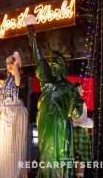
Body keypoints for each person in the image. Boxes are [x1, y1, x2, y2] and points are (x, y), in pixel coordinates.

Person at [24, 14, 84, 178]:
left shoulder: (69, 88)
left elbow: (77, 113)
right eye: (51, 64)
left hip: (60, 124)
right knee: (48, 151)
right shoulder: (47, 79)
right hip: (46, 120)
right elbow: (38, 56)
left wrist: (74, 104)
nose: (52, 66)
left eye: (55, 63)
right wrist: (31, 32)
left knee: (59, 152)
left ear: (62, 67)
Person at [0, 51, 28, 178]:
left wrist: (16, 66)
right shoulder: (6, 82)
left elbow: (19, 83)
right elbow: (2, 104)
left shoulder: (21, 78)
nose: (9, 65)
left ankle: (15, 174)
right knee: (5, 148)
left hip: (17, 114)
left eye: (12, 62)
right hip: (6, 115)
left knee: (15, 148)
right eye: (8, 63)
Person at [72, 82, 93, 178]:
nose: (83, 90)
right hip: (79, 131)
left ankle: (78, 175)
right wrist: (91, 123)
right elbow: (80, 119)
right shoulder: (78, 101)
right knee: (80, 157)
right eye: (81, 88)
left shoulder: (72, 101)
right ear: (76, 89)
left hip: (74, 131)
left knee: (77, 157)